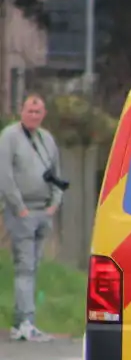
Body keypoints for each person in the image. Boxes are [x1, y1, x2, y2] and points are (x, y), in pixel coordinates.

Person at [1, 94, 64, 342]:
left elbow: (57, 174)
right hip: (22, 211)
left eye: (38, 112)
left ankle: (26, 320)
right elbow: (5, 176)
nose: (33, 116)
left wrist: (54, 204)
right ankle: (24, 321)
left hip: (44, 211)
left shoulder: (47, 139)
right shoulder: (9, 137)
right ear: (21, 111)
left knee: (35, 266)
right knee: (24, 266)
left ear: (44, 114)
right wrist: (19, 207)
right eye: (30, 111)